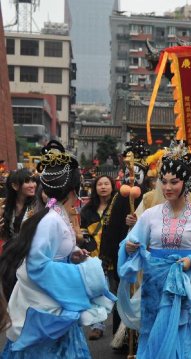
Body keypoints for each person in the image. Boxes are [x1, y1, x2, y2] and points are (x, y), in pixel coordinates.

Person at [0, 140, 114, 358]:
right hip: (46, 298)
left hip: (54, 293)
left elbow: (51, 255)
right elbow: (36, 265)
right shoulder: (51, 219)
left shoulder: (56, 214)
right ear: (75, 188)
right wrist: (81, 273)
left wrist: (72, 256)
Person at [117, 140, 191, 359]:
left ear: (186, 182)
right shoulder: (150, 215)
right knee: (153, 331)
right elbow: (130, 242)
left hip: (184, 284)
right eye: (164, 181)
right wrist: (130, 246)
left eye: (174, 182)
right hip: (154, 283)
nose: (168, 187)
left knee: (181, 335)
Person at [99, 139, 150, 343]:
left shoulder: (149, 197)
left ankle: (140, 337)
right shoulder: (120, 197)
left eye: (138, 173)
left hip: (144, 254)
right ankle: (123, 339)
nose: (133, 177)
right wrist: (126, 223)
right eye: (130, 172)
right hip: (125, 251)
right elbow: (110, 227)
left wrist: (139, 221)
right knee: (124, 291)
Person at [79, 174, 116, 340]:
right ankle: (97, 325)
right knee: (97, 290)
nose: (103, 187)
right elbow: (84, 233)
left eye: (106, 184)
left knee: (117, 291)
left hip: (114, 254)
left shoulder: (118, 206)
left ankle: (122, 328)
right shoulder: (87, 210)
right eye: (99, 184)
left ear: (112, 186)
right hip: (94, 256)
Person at [0, 169, 37, 246]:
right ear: (15, 186)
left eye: (33, 181)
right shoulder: (4, 206)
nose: (32, 185)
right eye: (27, 182)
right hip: (10, 252)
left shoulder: (37, 205)